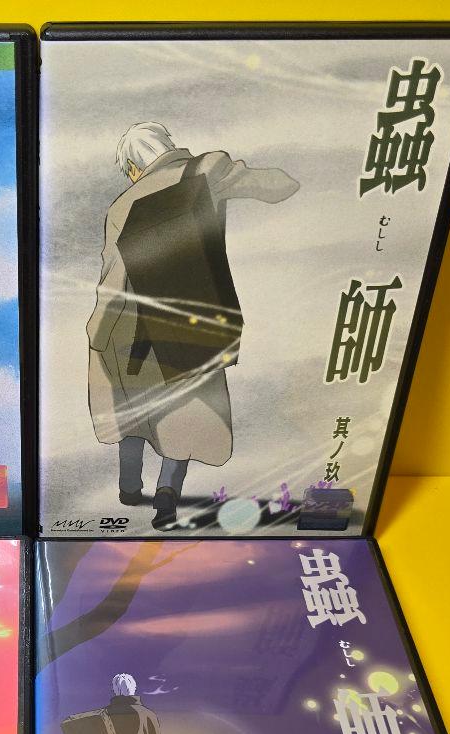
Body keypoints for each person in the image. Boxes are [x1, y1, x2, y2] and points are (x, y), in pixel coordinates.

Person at [87, 122, 299, 529]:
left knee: (133, 410)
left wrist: (98, 333)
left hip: (134, 331)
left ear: (133, 166)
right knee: (182, 418)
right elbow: (278, 185)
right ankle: (167, 496)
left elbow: (114, 281)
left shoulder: (123, 205)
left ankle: (129, 487)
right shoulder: (205, 171)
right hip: (193, 324)